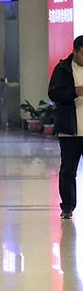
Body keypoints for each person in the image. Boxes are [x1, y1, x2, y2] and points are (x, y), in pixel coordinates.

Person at [49, 35, 83, 219]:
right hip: (70, 129)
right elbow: (53, 93)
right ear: (75, 51)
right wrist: (74, 92)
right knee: (68, 170)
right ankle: (67, 206)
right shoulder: (62, 69)